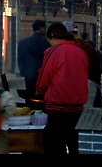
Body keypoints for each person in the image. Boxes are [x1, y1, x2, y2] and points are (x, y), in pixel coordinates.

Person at [36, 22, 88, 155]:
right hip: (77, 108)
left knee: (54, 145)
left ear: (52, 36)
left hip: (57, 107)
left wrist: (40, 90)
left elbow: (43, 80)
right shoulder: (80, 52)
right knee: (74, 144)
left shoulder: (53, 51)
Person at [64, 21, 102, 108]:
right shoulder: (84, 45)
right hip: (90, 84)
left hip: (88, 86)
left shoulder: (77, 47)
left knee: (87, 116)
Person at [17, 20, 50, 98]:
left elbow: (20, 59)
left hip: (28, 75)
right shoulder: (47, 42)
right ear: (42, 28)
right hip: (43, 75)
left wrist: (23, 72)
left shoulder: (23, 42)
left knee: (30, 96)